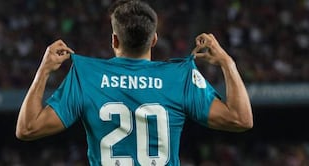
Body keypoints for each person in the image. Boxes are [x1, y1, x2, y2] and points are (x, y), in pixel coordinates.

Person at [16, 0, 253, 165]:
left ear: (114, 40)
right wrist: (227, 63)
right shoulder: (178, 77)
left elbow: (27, 129)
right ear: (155, 40)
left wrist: (43, 71)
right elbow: (241, 119)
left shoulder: (87, 76)